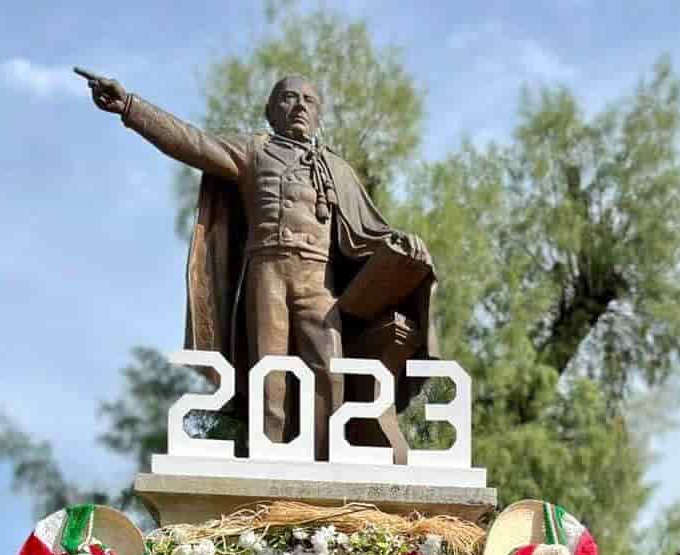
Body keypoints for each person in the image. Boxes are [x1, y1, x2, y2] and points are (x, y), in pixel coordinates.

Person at [80, 70, 435, 460]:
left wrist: (402, 244)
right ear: (270, 111)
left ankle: (329, 458)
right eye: (288, 98)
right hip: (268, 271)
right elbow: (191, 142)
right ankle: (269, 459)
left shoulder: (338, 170)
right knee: (271, 372)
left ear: (319, 116)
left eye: (308, 100)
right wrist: (130, 106)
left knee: (331, 369)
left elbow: (370, 230)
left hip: (320, 280)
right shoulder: (254, 151)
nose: (299, 105)